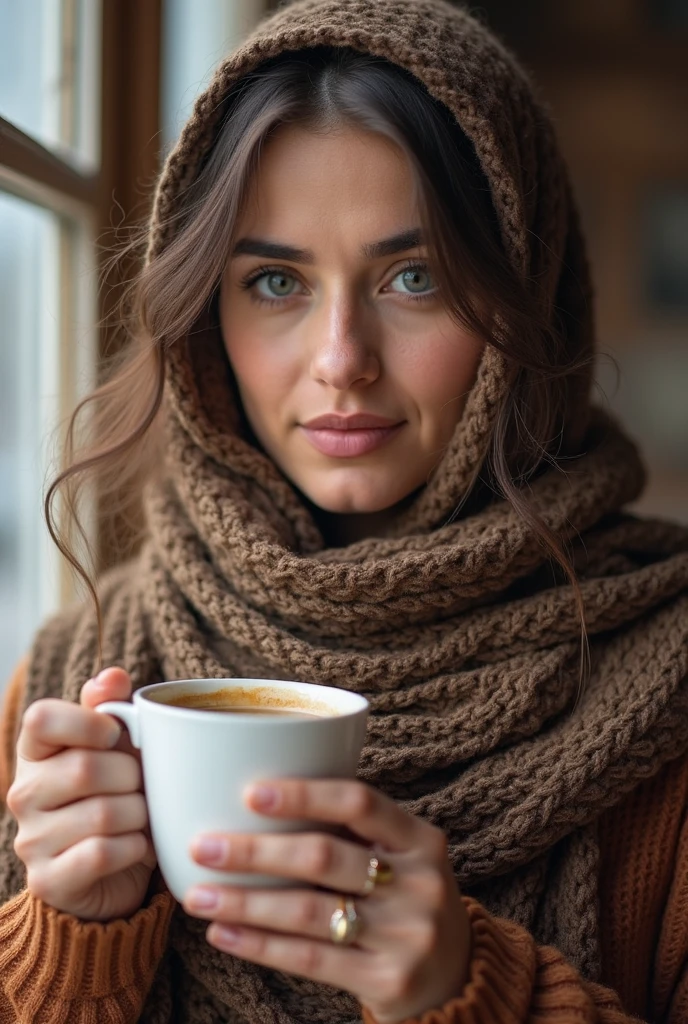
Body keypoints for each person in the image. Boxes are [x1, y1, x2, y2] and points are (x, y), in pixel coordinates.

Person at [1, 0, 687, 1021]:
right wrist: (72, 941)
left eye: (414, 277)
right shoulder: (77, 680)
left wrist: (476, 993)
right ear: (204, 321)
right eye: (275, 280)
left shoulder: (668, 684)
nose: (339, 361)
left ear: (525, 295)